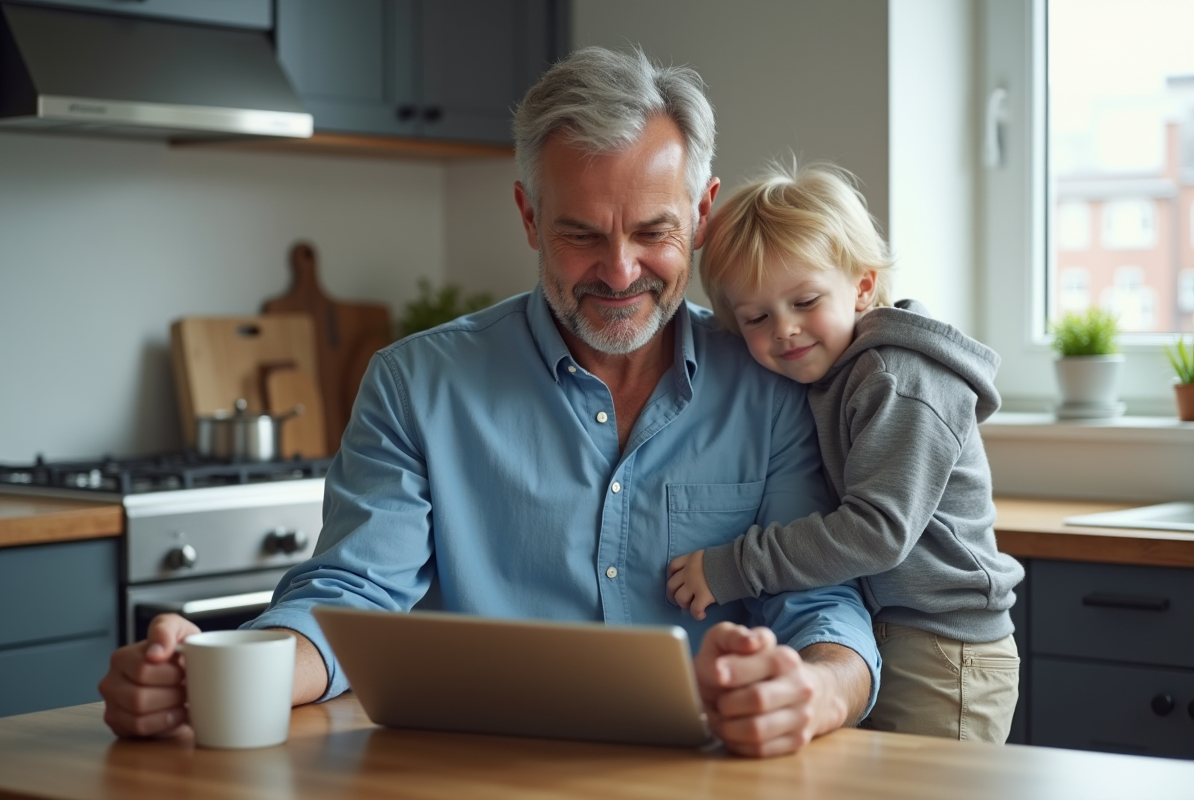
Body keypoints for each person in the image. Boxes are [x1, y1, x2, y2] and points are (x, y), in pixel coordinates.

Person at [98, 47, 880, 758]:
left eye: (652, 231)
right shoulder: (415, 385)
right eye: (581, 234)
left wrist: (816, 694)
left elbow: (825, 606)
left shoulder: (774, 383)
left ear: (703, 215)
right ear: (529, 215)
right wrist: (214, 675)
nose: (618, 271)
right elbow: (351, 598)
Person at [665, 159, 1025, 743]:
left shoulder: (896, 378)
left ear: (861, 286)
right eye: (757, 317)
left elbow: (876, 531)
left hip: (945, 649)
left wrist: (735, 566)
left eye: (805, 301)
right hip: (892, 633)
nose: (784, 329)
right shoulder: (831, 377)